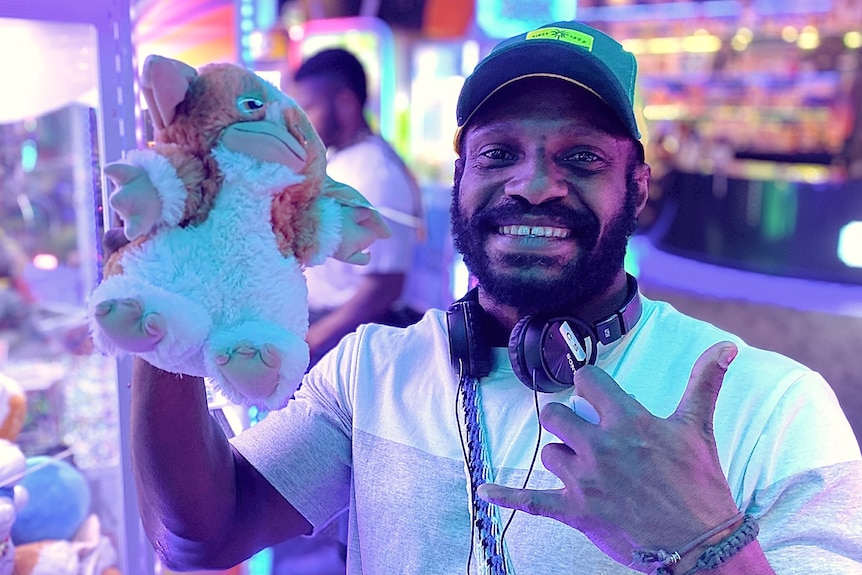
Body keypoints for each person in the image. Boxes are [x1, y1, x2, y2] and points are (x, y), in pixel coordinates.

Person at [129, 20, 862, 575]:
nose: (533, 183)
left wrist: (712, 543)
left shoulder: (774, 405)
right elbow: (200, 534)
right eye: (498, 153)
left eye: (580, 157)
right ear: (461, 180)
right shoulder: (372, 371)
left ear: (637, 187)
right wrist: (171, 297)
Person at [288, 48, 424, 368]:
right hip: (320, 329)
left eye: (308, 108)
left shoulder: (375, 172)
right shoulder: (343, 158)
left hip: (348, 341)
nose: (300, 124)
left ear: (346, 103)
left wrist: (312, 343)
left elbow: (384, 287)